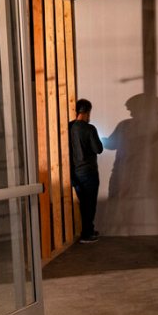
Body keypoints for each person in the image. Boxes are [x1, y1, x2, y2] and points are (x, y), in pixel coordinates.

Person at [68, 98, 103, 244]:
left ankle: (88, 229)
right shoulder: (90, 129)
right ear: (87, 112)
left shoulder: (69, 127)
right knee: (90, 204)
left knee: (83, 203)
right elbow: (98, 149)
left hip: (74, 173)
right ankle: (86, 234)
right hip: (89, 172)